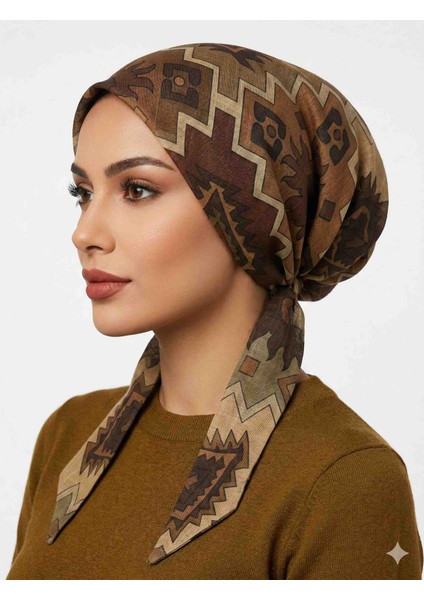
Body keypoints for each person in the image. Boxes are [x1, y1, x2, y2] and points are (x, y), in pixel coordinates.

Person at [6, 42, 422, 580]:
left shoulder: (345, 478)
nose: (84, 233)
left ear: (256, 214)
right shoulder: (68, 435)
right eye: (82, 192)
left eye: (138, 189)